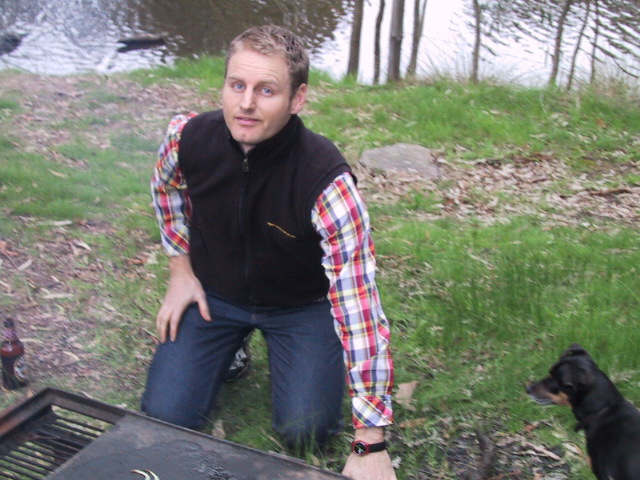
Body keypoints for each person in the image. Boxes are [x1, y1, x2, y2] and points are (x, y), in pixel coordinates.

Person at [141, 25, 396, 480]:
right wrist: (180, 270)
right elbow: (165, 188)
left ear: (297, 99)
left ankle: (298, 356)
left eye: (266, 90)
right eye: (236, 85)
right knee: (165, 414)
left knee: (306, 429)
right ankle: (231, 348)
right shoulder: (188, 138)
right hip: (216, 295)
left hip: (301, 306)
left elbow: (359, 304)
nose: (245, 104)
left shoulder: (326, 181)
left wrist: (369, 440)